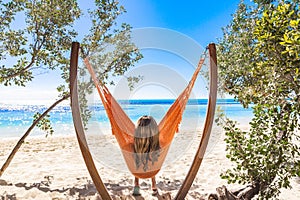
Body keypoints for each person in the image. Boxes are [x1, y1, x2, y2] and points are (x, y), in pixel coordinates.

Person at [133, 115, 160, 196]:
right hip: (152, 163)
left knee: (137, 157)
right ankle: (154, 184)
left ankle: (136, 184)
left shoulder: (133, 144)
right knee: (152, 157)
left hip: (137, 159)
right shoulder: (156, 144)